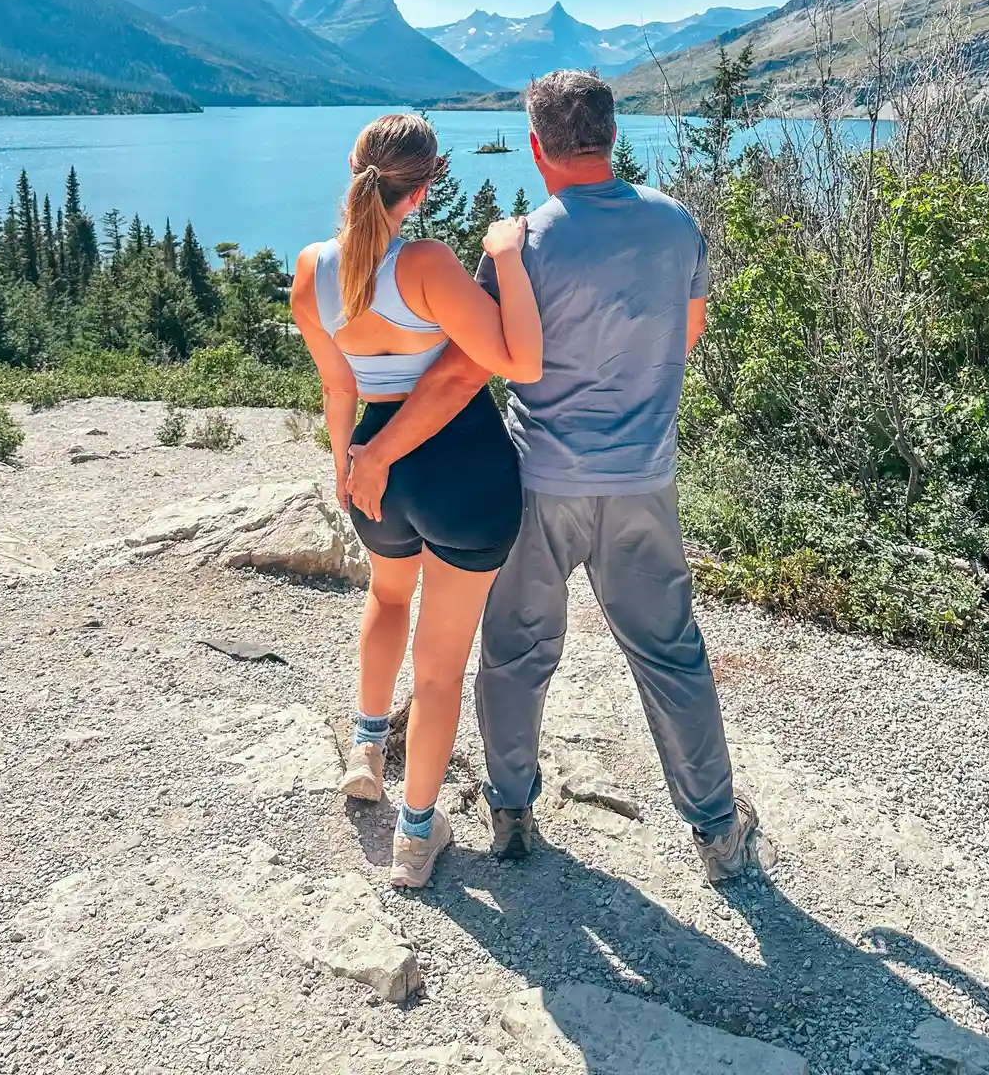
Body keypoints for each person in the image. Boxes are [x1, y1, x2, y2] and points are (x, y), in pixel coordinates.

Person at [345, 72, 759, 883]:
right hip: (642, 476)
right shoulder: (676, 224)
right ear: (611, 137)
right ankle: (715, 830)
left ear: (537, 147)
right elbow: (690, 330)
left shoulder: (523, 241)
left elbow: (467, 371)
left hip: (539, 478)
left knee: (516, 648)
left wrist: (381, 448)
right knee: (670, 652)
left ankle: (510, 811)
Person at [290, 112, 542, 889]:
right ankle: (414, 836)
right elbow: (516, 361)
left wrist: (348, 472)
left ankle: (367, 747)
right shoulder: (428, 263)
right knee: (440, 670)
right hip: (461, 469)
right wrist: (507, 257)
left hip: (377, 470)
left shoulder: (312, 269)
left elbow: (339, 388)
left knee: (386, 599)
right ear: (427, 186)